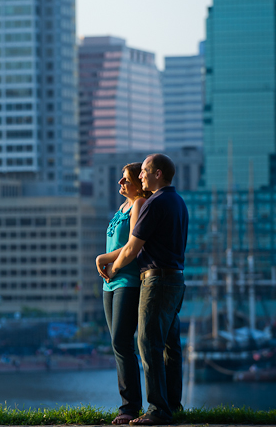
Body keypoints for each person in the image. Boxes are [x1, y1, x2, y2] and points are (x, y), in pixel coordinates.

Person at [103, 154, 188, 426]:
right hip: (175, 279)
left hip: (157, 280)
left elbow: (132, 247)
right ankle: (172, 406)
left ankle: (157, 410)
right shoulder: (178, 202)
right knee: (169, 346)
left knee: (148, 343)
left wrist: (113, 268)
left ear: (158, 174)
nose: (141, 176)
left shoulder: (155, 203)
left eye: (145, 172)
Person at [96, 163, 151, 425]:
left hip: (127, 280)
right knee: (118, 345)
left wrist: (103, 258)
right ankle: (128, 404)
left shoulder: (139, 204)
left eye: (126, 179)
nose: (121, 182)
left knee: (122, 342)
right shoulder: (122, 207)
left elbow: (132, 245)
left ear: (139, 184)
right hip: (110, 282)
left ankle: (130, 407)